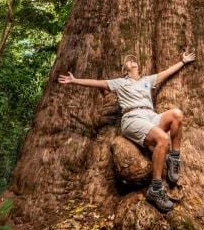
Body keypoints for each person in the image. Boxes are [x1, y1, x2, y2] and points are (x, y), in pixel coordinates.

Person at [58, 51, 195, 212]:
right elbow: (96, 82)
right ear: (125, 69)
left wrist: (183, 62)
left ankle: (174, 158)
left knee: (177, 114)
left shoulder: (147, 80)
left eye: (134, 60)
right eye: (128, 61)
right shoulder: (120, 82)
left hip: (150, 115)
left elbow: (167, 73)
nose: (132, 61)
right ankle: (156, 189)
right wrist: (74, 80)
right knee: (164, 139)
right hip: (132, 117)